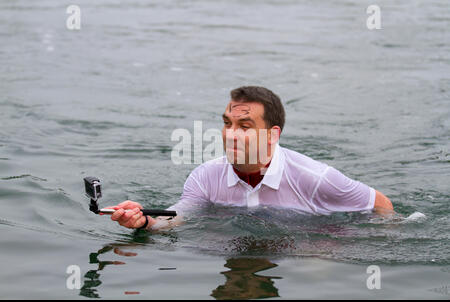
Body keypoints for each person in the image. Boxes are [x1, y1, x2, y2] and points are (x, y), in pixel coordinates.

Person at [101, 86, 394, 230]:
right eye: (227, 123)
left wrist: (336, 245)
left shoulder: (316, 178)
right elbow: (181, 217)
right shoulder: (206, 176)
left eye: (245, 126)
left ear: (272, 135)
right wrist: (144, 222)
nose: (231, 134)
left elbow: (382, 206)